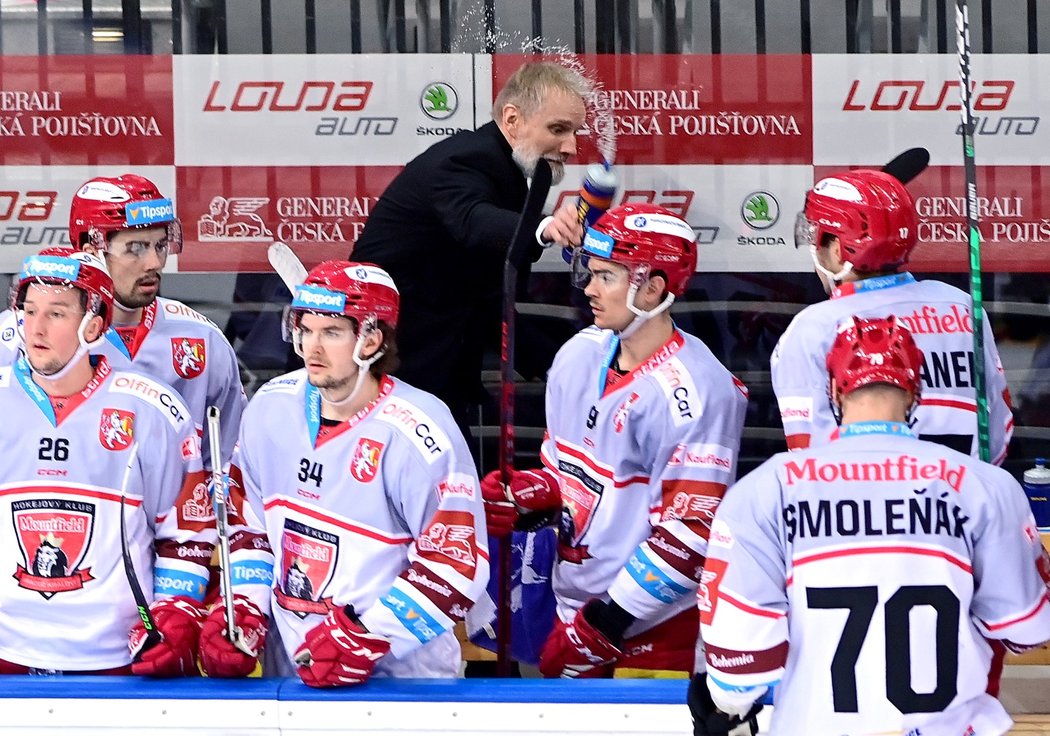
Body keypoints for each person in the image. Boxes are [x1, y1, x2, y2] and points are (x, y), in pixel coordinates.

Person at [694, 316, 1050, 736]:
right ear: (916, 391)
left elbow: (740, 668)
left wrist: (723, 703)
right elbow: (1026, 630)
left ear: (834, 390)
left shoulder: (764, 491)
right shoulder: (985, 486)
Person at [481, 203, 749, 679]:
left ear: (652, 287)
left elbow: (690, 534)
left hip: (656, 629)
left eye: (606, 276)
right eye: (590, 272)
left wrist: (605, 623)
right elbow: (564, 473)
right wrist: (532, 497)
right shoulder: (577, 356)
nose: (589, 288)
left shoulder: (698, 392)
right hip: (573, 609)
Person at [196, 261, 490, 683]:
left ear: (371, 340)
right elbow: (250, 526)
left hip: (401, 683)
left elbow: (456, 565)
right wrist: (244, 607)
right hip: (294, 673)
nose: (312, 348)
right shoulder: (271, 408)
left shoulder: (420, 432)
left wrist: (369, 636)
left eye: (331, 333)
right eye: (306, 329)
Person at [0, 247, 213, 676]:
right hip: (7, 655)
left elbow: (186, 532)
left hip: (117, 661)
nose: (35, 328)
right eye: (29, 310)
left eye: (56, 314)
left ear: (94, 326)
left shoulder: (153, 409)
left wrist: (171, 615)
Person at [351, 60, 591, 437]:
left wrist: (558, 364)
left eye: (575, 131)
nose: (572, 147)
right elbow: (473, 220)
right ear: (512, 120)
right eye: (558, 129)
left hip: (435, 359)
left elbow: (485, 290)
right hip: (392, 363)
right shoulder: (467, 159)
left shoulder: (506, 168)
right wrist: (545, 227)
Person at [771, 168, 1013, 464]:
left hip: (868, 505)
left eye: (816, 238)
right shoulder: (960, 306)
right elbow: (999, 426)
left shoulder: (815, 327)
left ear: (836, 249)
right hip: (964, 500)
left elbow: (810, 457)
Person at [58, 174, 244, 469]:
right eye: (135, 248)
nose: (155, 263)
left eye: (160, 245)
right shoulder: (26, 338)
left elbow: (232, 458)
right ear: (89, 248)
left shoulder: (203, 338)